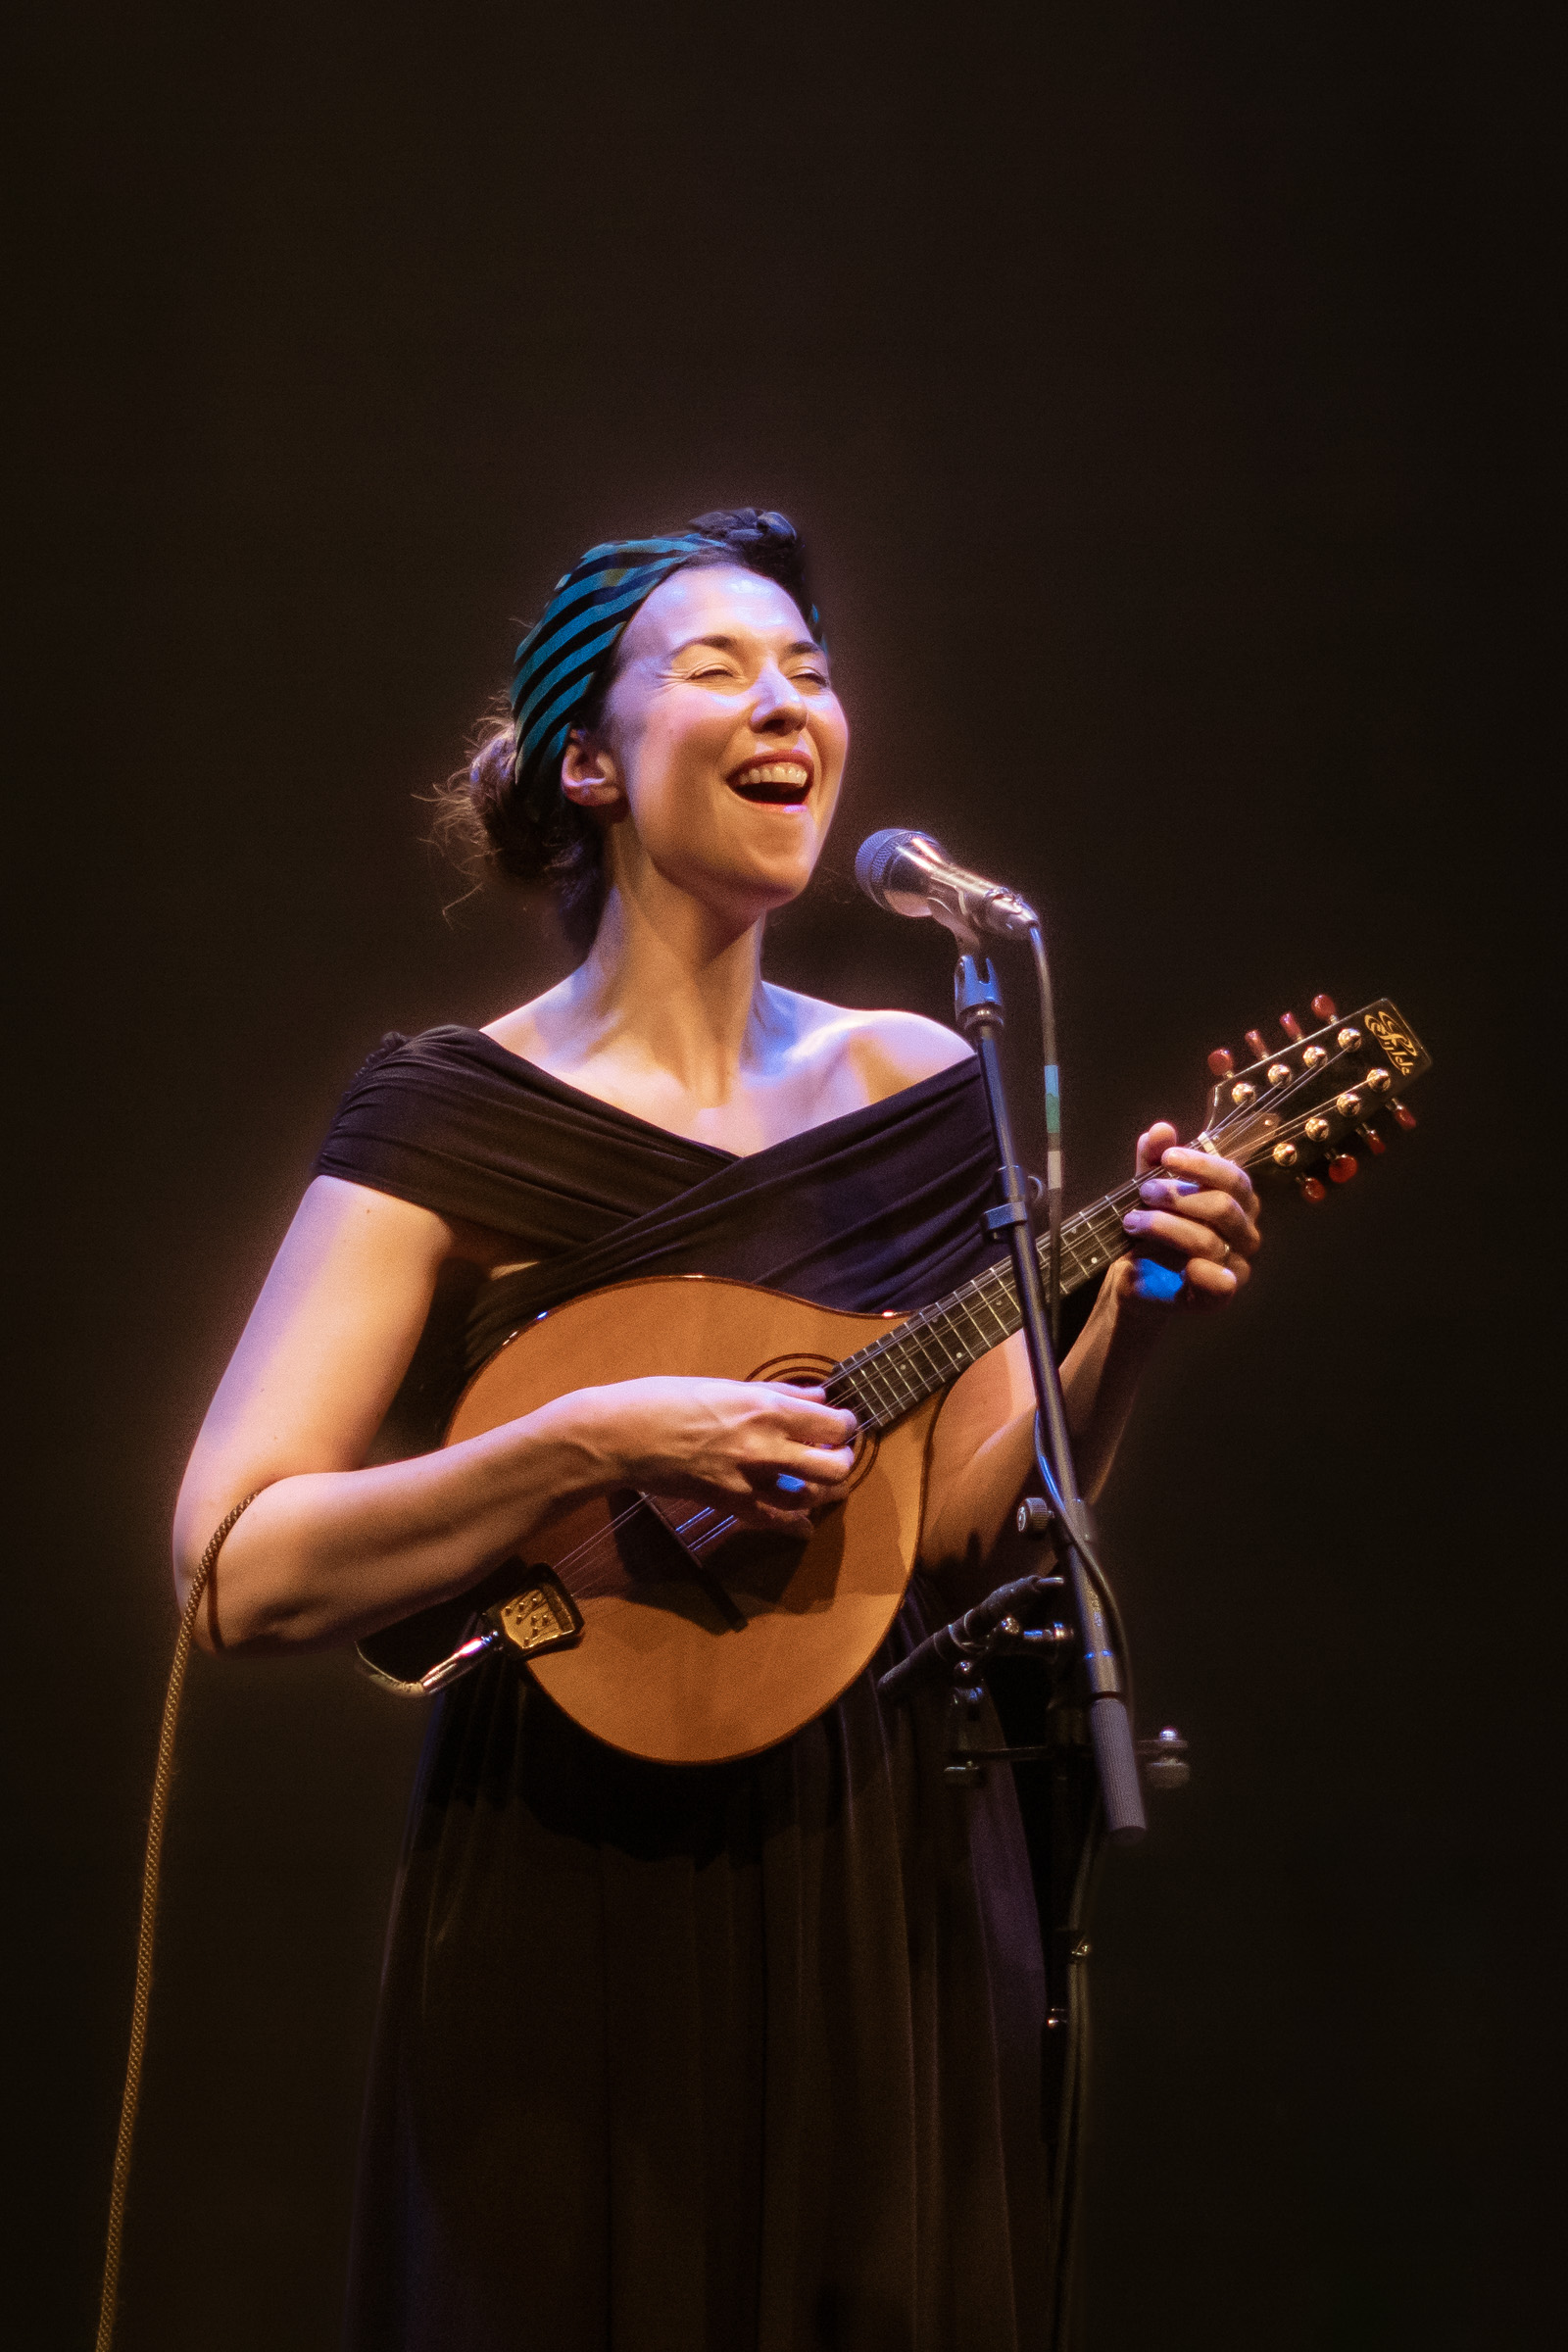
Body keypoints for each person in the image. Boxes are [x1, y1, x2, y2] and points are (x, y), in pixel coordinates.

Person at [173, 509, 1260, 2351]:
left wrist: (1131, 1325)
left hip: (883, 1854)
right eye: (722, 667)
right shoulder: (451, 1112)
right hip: (571, 1873)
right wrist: (582, 1442)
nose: (790, 705)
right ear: (587, 762)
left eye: (814, 675)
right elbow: (237, 1566)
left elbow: (972, 1525)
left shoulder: (921, 1081)